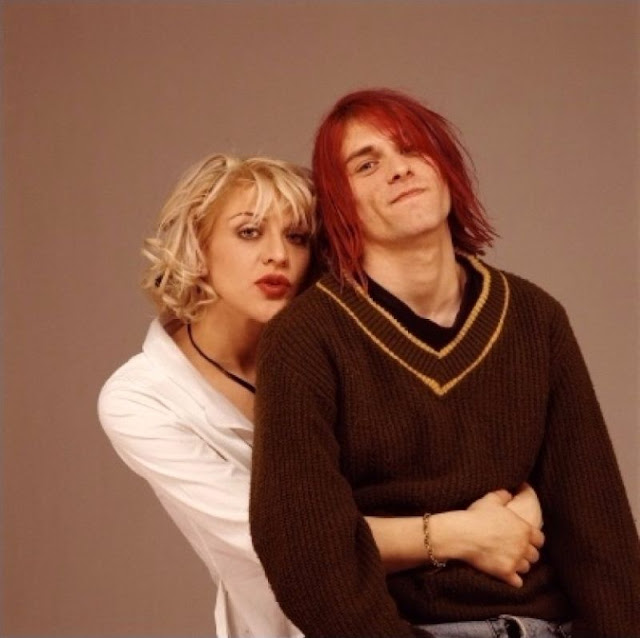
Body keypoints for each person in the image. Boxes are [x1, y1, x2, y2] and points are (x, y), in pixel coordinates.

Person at [98, 153, 547, 637]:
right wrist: (460, 533)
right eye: (249, 232)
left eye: (297, 237)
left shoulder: (335, 343)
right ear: (197, 247)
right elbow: (284, 544)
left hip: (435, 613)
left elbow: (444, 457)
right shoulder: (141, 399)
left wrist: (522, 509)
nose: (278, 255)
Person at [249, 89, 640, 638]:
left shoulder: (534, 317)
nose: (399, 169)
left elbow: (600, 533)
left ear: (446, 167)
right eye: (366, 164)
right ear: (340, 204)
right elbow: (305, 550)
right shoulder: (304, 339)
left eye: (413, 149)